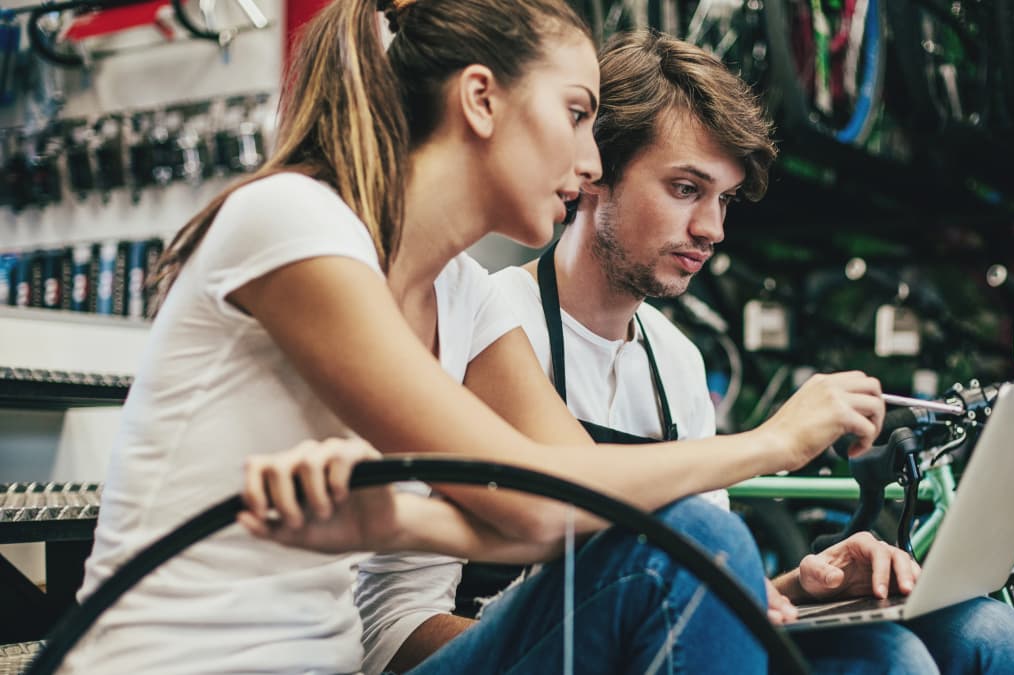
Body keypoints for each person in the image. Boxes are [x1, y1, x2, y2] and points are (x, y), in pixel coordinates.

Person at [65, 0, 891, 673]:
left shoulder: (463, 295)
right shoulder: (295, 220)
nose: (591, 160)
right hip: (166, 661)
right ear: (481, 99)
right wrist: (771, 442)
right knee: (690, 536)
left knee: (894, 651)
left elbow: (565, 501)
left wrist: (399, 521)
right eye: (576, 115)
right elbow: (552, 500)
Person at [350, 30, 1014, 674]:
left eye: (725, 199)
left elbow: (692, 598)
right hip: (494, 648)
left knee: (978, 634)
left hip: (632, 630)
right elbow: (395, 625)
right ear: (594, 172)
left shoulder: (675, 359)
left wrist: (806, 582)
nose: (710, 228)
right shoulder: (491, 321)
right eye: (685, 189)